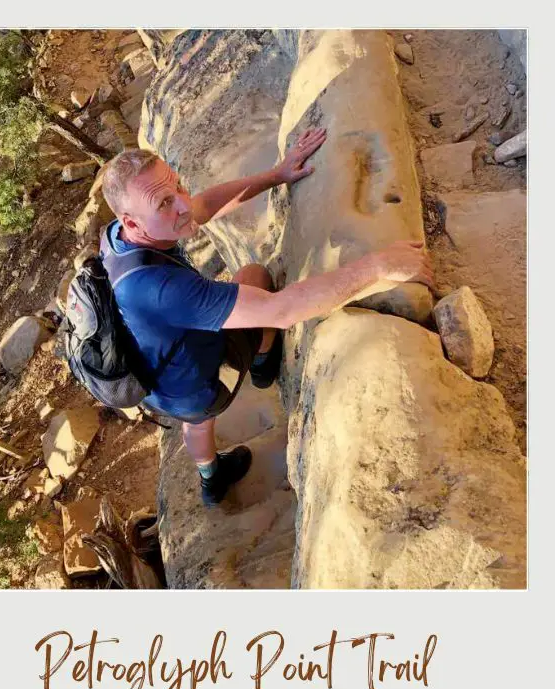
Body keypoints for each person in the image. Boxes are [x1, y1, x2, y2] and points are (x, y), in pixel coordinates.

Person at [100, 130, 433, 506]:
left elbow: (202, 206)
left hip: (166, 389)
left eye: (177, 186)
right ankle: (262, 362)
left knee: (195, 419)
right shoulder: (163, 289)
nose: (182, 205)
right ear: (132, 222)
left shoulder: (118, 239)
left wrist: (277, 174)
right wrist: (378, 265)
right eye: (164, 203)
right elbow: (283, 309)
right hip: (205, 383)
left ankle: (212, 478)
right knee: (256, 277)